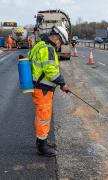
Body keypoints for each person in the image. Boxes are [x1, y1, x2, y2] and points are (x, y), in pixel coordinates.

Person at [28, 26, 69, 157]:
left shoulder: (39, 45)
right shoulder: (49, 49)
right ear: (57, 38)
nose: (59, 45)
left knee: (41, 115)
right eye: (60, 42)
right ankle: (42, 146)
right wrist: (63, 83)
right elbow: (51, 71)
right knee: (44, 116)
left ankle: (42, 140)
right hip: (43, 88)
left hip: (37, 86)